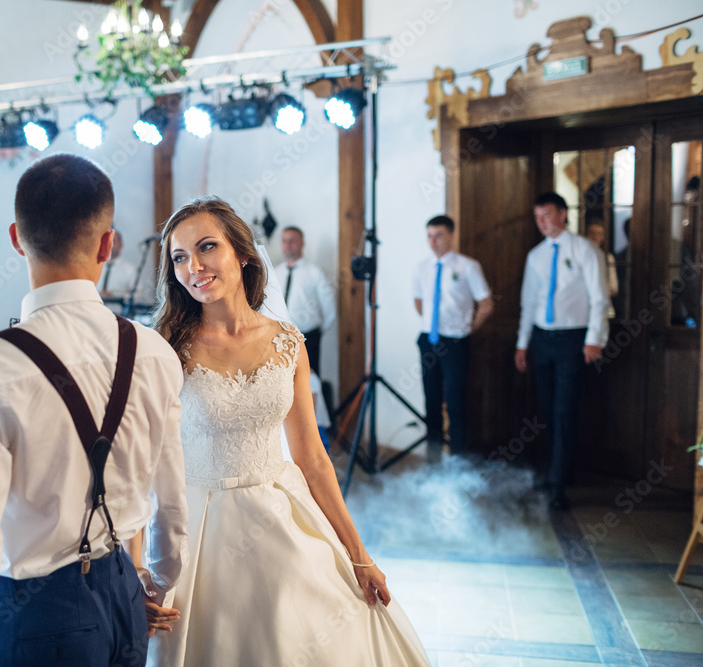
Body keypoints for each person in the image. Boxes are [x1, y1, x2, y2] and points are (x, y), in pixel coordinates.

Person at [0, 154, 189, 667]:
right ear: (108, 244)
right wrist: (158, 583)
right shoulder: (153, 351)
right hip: (126, 597)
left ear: (16, 238)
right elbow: (172, 501)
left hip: (34, 614)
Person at [144, 196, 429, 666]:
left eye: (207, 247)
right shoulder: (163, 348)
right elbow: (142, 463)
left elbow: (313, 459)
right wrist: (141, 569)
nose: (192, 266)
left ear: (243, 253)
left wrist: (359, 555)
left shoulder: (288, 343)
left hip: (280, 512)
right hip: (196, 527)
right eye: (178, 257)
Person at [515, 192, 609, 511]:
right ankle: (558, 471)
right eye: (537, 217)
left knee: (565, 409)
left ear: (563, 215)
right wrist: (522, 343)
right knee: (547, 410)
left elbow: (600, 298)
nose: (542, 222)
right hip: (543, 339)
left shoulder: (585, 249)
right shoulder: (536, 256)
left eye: (547, 215)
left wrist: (594, 339)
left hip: (574, 338)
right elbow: (528, 303)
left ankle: (558, 484)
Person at [412, 215, 493, 456]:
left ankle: (458, 458)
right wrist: (432, 324)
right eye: (429, 235)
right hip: (429, 339)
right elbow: (419, 302)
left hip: (455, 341)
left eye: (438, 235)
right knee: (431, 400)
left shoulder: (467, 266)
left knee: (456, 401)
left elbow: (486, 304)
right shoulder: (421, 267)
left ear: (450, 235)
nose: (433, 241)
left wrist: (467, 329)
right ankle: (433, 460)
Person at [274, 226, 336, 376]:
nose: (288, 244)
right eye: (284, 240)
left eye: (292, 240)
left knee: (309, 382)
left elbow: (329, 307)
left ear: (302, 243)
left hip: (308, 338)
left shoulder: (314, 272)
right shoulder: (275, 273)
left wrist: (316, 330)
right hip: (279, 339)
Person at [97, 229, 140, 314]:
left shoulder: (129, 269)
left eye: (114, 241)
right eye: (109, 241)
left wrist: (115, 295)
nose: (111, 244)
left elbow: (138, 295)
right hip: (96, 314)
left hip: (119, 316)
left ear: (121, 245)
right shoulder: (96, 267)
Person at [585, 220, 618, 319]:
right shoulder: (579, 257)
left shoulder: (607, 258)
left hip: (602, 309)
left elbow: (614, 288)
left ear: (603, 237)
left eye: (599, 233)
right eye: (592, 233)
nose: (595, 236)